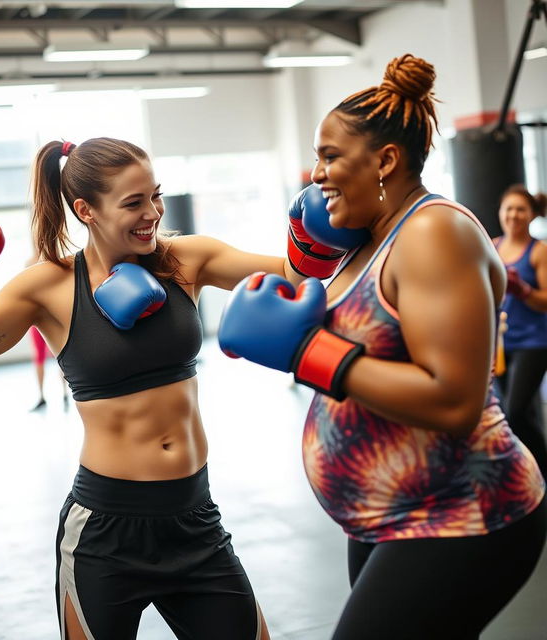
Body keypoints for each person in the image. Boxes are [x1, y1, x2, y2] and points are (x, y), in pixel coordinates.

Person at [0, 136, 335, 639]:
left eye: (155, 196)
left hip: (194, 520)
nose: (152, 213)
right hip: (104, 532)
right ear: (85, 209)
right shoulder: (47, 286)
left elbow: (296, 277)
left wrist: (319, 226)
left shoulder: (186, 259)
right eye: (133, 203)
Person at [218, 54, 547, 639]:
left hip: (463, 509)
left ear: (385, 161)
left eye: (329, 157)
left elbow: (453, 401)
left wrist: (307, 353)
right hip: (385, 514)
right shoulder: (367, 240)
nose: (316, 175)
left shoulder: (432, 232)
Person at [493, 184, 547, 476]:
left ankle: (539, 472)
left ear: (531, 214)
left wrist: (523, 290)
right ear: (501, 212)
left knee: (514, 413)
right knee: (515, 415)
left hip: (534, 343)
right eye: (509, 208)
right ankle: (528, 474)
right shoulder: (493, 245)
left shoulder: (538, 251)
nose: (514, 214)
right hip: (500, 343)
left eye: (520, 209)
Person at [25, 252, 69, 411]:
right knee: (39, 357)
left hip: (53, 317)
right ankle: (41, 396)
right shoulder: (29, 263)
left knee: (60, 356)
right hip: (36, 321)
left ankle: (65, 393)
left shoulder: (55, 262)